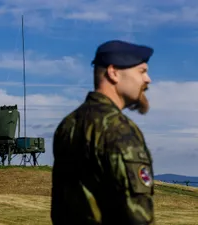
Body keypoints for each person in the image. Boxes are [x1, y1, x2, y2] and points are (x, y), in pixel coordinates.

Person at [51, 40, 155, 225]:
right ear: (113, 73)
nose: (147, 79)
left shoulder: (68, 125)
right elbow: (137, 216)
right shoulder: (118, 129)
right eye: (142, 71)